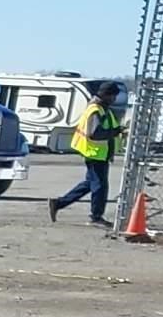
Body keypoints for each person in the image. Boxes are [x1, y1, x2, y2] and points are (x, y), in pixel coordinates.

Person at [49, 79, 125, 225]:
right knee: (100, 186)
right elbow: (94, 133)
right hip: (95, 153)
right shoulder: (96, 110)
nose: (114, 99)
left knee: (90, 184)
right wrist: (116, 131)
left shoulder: (102, 109)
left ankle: (59, 203)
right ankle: (96, 216)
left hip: (98, 153)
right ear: (106, 95)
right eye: (113, 96)